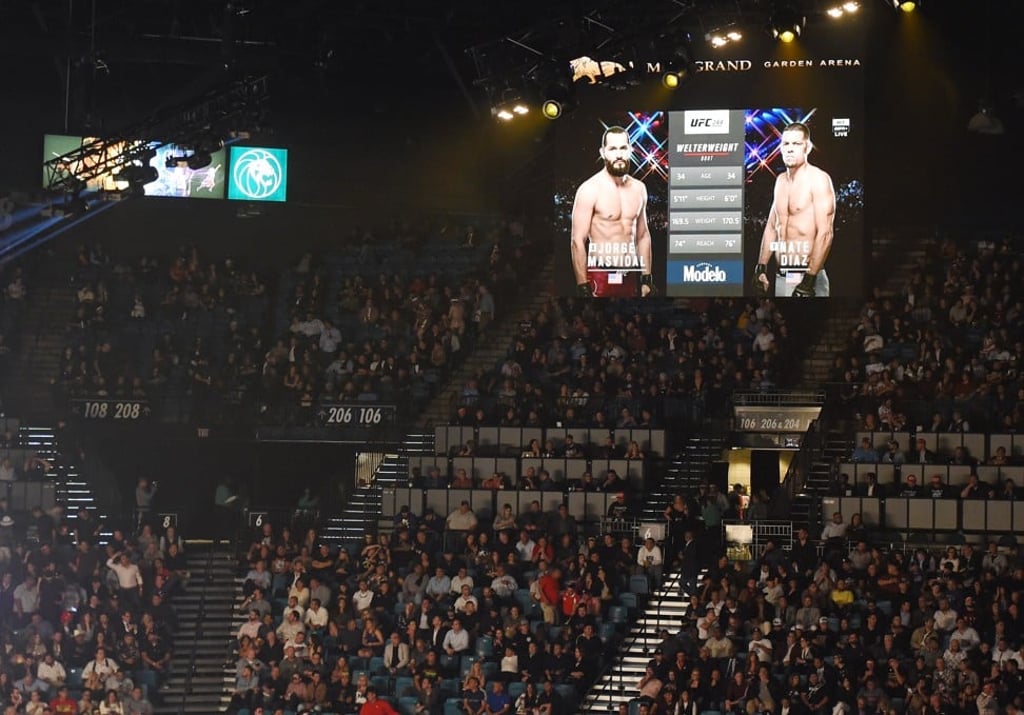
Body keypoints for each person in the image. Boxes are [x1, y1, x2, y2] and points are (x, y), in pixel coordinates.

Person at [752, 122, 836, 297]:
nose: (790, 149)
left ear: (807, 147)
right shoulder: (780, 181)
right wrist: (761, 267)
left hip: (810, 275)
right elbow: (772, 226)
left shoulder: (818, 179)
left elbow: (826, 233)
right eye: (786, 144)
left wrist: (809, 281)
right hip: (783, 277)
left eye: (796, 144)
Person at [570, 125, 655, 298]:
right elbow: (577, 240)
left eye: (623, 148)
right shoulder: (590, 189)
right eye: (612, 149)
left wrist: (646, 278)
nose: (618, 154)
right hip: (600, 276)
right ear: (603, 153)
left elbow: (643, 236)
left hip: (630, 275)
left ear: (630, 150)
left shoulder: (639, 188)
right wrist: (582, 285)